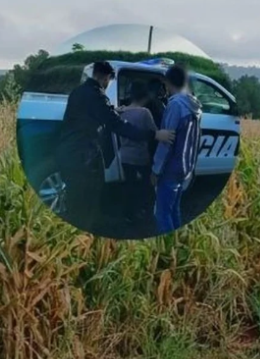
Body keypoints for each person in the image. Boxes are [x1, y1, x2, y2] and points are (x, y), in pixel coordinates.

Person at [56, 61, 175, 232]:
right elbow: (117, 125)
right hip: (83, 157)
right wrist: (154, 134)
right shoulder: (97, 95)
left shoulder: (78, 92)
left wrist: (114, 110)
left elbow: (96, 114)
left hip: (67, 152)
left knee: (74, 200)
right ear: (106, 78)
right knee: (85, 205)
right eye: (109, 80)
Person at [152, 65, 202, 234]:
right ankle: (178, 242)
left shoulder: (175, 106)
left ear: (168, 82)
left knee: (162, 213)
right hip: (185, 166)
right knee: (174, 209)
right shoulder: (194, 106)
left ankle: (168, 246)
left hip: (170, 168)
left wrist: (156, 170)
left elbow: (166, 141)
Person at [118, 81, 157, 224]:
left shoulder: (121, 112)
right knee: (145, 185)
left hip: (124, 155)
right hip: (140, 155)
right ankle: (143, 211)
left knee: (129, 184)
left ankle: (127, 214)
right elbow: (154, 132)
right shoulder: (144, 112)